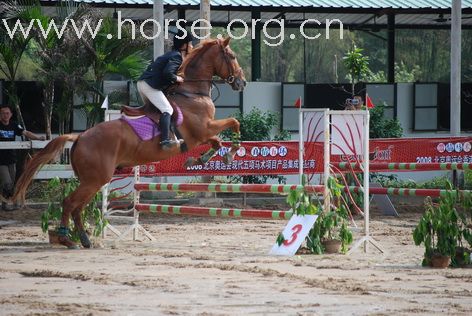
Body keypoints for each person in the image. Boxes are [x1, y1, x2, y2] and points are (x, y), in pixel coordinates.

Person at [137, 30, 194, 150]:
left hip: (144, 84)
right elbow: (168, 73)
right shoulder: (177, 56)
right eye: (190, 43)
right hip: (149, 86)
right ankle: (165, 140)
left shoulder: (172, 54)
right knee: (167, 109)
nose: (192, 46)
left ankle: (151, 136)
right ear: (184, 45)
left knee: (156, 112)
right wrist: (178, 78)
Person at [0, 105, 45, 211]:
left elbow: (25, 133)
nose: (5, 115)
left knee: (12, 183)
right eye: (2, 113)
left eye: (7, 113)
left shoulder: (14, 125)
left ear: (11, 114)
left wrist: (38, 137)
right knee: (7, 182)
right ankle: (6, 204)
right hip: (0, 160)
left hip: (11, 159)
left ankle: (8, 202)